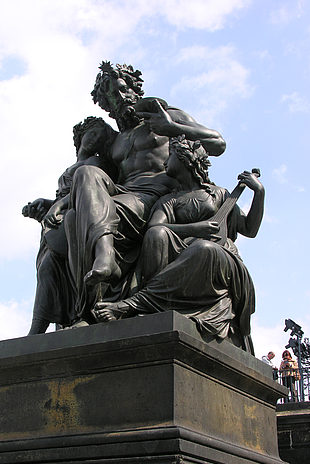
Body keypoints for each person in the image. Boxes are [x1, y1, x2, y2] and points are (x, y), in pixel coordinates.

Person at [59, 62, 226, 324]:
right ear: (106, 104)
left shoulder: (164, 116)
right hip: (123, 194)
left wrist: (173, 128)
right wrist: (56, 203)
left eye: (124, 89)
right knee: (76, 202)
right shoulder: (114, 140)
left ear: (136, 89)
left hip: (157, 197)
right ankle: (89, 305)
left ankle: (104, 268)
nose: (120, 97)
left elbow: (217, 143)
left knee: (82, 213)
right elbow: (91, 183)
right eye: (112, 95)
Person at [93, 135, 265, 353]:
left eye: (170, 156)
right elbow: (154, 229)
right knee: (157, 234)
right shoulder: (169, 201)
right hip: (183, 259)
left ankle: (134, 303)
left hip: (220, 263)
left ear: (186, 158)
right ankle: (157, 307)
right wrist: (196, 229)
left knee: (204, 249)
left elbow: (250, 229)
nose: (165, 162)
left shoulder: (219, 194)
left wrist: (259, 193)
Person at [22, 117, 118, 334]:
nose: (95, 140)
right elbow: (63, 196)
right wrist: (45, 204)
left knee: (70, 266)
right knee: (46, 269)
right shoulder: (73, 166)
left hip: (81, 218)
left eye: (100, 136)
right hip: (56, 225)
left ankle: (82, 312)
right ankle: (38, 325)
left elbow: (90, 191)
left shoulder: (97, 163)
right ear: (80, 136)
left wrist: (56, 207)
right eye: (92, 133)